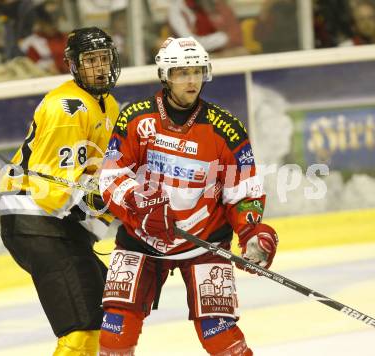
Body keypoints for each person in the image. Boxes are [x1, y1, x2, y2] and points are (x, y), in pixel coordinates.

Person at [97, 37, 279, 356]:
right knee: (116, 331)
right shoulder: (136, 119)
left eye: (197, 71)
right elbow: (111, 177)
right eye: (182, 73)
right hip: (142, 239)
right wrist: (140, 207)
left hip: (205, 241)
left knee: (220, 335)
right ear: (165, 76)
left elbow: (244, 190)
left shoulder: (226, 129)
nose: (192, 80)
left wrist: (252, 231)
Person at [0, 27, 121, 356]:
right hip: (37, 225)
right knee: (80, 330)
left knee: (111, 316)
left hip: (62, 229)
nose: (99, 67)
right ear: (74, 66)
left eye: (104, 58)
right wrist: (109, 204)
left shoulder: (109, 107)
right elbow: (51, 189)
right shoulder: (65, 108)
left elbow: (103, 177)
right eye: (90, 60)